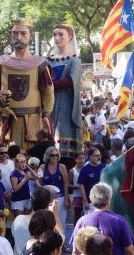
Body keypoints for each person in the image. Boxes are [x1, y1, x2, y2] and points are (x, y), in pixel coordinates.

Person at [0, 18, 54, 150]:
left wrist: (46, 113)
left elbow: (48, 92)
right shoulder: (0, 63)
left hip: (33, 122)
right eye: (15, 33)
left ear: (30, 36)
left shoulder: (40, 64)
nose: (19, 37)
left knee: (32, 159)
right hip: (7, 122)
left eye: (23, 33)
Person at [71, 182, 134, 255]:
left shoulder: (82, 221)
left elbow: (75, 251)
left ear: (92, 199)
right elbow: (130, 250)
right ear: (108, 200)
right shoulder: (119, 220)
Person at [49, 23, 82, 164]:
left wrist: (49, 84)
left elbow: (71, 82)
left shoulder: (75, 60)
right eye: (55, 34)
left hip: (67, 103)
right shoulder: (48, 60)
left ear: (70, 36)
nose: (57, 38)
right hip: (50, 102)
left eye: (61, 34)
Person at [38, 147, 69, 233]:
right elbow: (39, 182)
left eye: (56, 155)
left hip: (60, 197)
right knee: (47, 222)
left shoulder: (62, 167)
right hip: (47, 199)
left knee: (61, 222)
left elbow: (66, 183)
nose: (55, 157)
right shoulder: (42, 167)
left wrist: (66, 199)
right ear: (48, 156)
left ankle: (63, 244)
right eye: (52, 155)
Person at [77, 148, 106, 213]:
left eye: (99, 155)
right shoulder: (85, 169)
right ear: (90, 157)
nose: (99, 158)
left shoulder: (104, 167)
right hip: (90, 203)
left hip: (103, 203)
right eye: (96, 156)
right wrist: (85, 201)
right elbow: (81, 185)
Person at [69, 152, 85, 226]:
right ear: (75, 160)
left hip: (85, 195)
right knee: (77, 215)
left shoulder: (86, 169)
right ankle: (76, 231)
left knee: (86, 214)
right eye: (79, 158)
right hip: (77, 195)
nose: (81, 160)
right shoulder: (72, 171)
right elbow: (68, 184)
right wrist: (76, 187)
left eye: (83, 158)